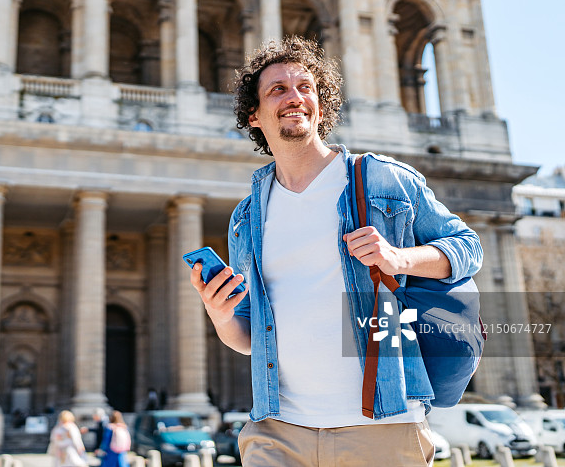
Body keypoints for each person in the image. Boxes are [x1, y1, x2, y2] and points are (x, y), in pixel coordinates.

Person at [190, 36, 482, 467]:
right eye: (278, 89)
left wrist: (401, 259)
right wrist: (219, 314)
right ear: (254, 116)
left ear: (321, 107)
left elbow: (467, 248)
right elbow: (250, 338)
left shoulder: (383, 180)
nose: (295, 97)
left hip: (380, 424)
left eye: (305, 87)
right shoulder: (246, 216)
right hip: (277, 429)